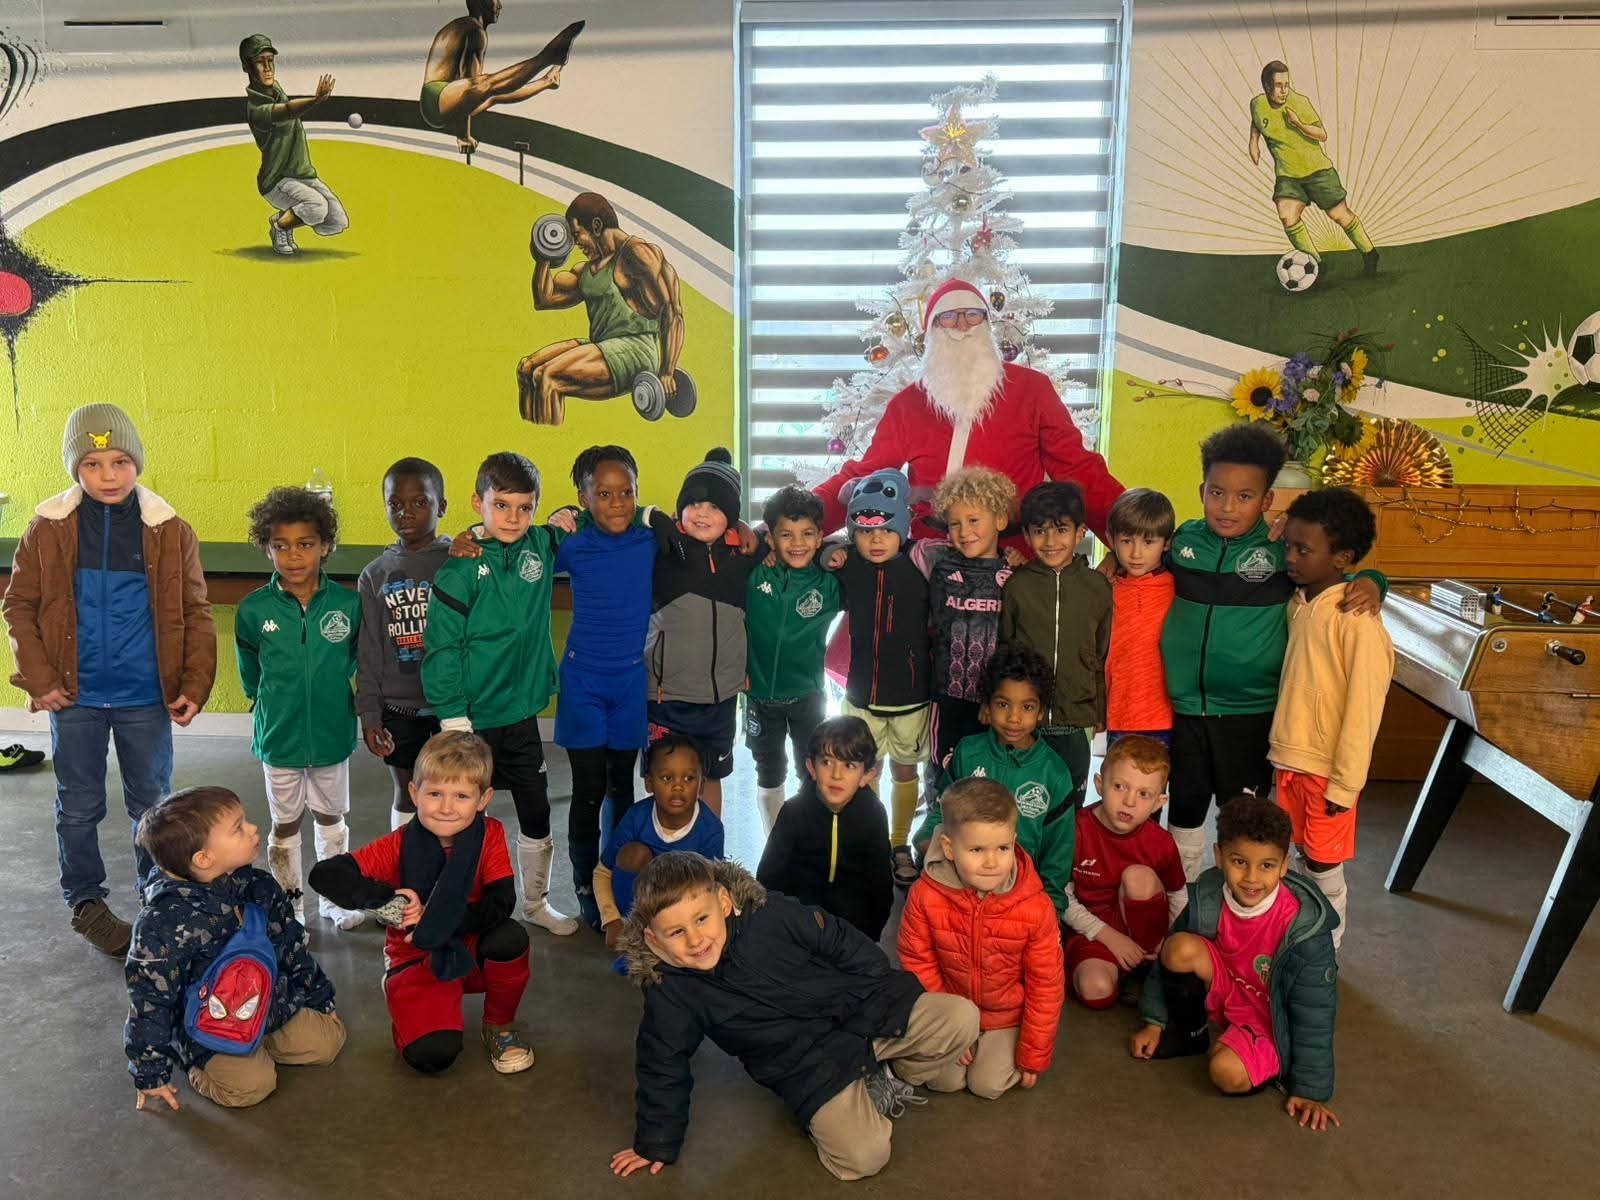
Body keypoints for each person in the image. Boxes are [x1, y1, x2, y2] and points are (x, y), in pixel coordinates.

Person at [611, 852, 980, 1181]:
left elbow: (838, 939)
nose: (695, 940)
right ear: (653, 939)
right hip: (807, 1065)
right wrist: (656, 1143)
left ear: (723, 902)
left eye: (702, 919)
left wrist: (884, 987)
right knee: (865, 1157)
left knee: (961, 1018)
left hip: (858, 1007)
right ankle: (853, 1096)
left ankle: (892, 1075)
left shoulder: (768, 913)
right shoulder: (670, 991)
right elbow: (662, 1063)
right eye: (676, 932)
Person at [3, 402, 215, 956]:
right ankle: (85, 901)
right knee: (77, 805)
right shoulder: (48, 530)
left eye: (120, 461)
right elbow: (19, 606)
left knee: (154, 806)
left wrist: (194, 683)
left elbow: (196, 612)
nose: (108, 475)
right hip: (73, 697)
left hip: (145, 697)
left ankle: (160, 896)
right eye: (93, 464)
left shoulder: (171, 532)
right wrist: (41, 680)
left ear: (136, 463)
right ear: (75, 468)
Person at [1160, 425, 1384, 881]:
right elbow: (1139, 560)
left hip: (1251, 714)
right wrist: (1109, 560)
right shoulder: (1182, 543)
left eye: (1244, 496)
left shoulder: (1283, 553)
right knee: (1183, 813)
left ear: (1266, 501)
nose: (1227, 507)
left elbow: (1333, 567)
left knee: (1244, 825)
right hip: (1185, 710)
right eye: (1217, 493)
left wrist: (1374, 580)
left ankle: (1243, 908)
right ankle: (1182, 904)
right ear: (1202, 491)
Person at [812, 277, 1123, 543]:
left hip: (1013, 557)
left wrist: (1130, 531)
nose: (962, 325)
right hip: (930, 557)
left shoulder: (1032, 390)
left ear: (987, 323)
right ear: (931, 329)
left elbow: (1079, 470)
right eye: (948, 316)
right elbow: (865, 477)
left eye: (973, 315)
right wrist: (799, 520)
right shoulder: (908, 404)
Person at [310, 732, 537, 1075]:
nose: (446, 807)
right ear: (415, 794)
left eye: (461, 796)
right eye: (434, 794)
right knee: (432, 1055)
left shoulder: (490, 834)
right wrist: (392, 904)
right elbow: (325, 875)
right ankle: (407, 992)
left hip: (467, 943)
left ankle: (499, 1025)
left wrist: (437, 919)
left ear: (483, 799)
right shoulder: (398, 844)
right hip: (415, 954)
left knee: (509, 937)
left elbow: (501, 902)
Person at [422, 451, 578, 935]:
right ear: (479, 503)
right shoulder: (460, 568)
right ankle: (463, 906)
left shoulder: (541, 545)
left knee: (536, 807)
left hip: (521, 714)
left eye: (525, 507)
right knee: (466, 817)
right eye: (501, 505)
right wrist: (453, 717)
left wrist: (566, 515)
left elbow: (592, 513)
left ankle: (535, 904)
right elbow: (441, 649)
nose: (513, 518)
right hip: (471, 720)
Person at [125, 786, 343, 1111]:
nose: (253, 829)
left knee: (328, 1042)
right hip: (210, 1025)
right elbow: (150, 1001)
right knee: (254, 1087)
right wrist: (150, 1071)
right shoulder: (160, 924)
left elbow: (291, 946)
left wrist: (320, 997)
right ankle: (197, 1063)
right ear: (204, 859)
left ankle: (257, 1040)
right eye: (238, 828)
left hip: (268, 1003)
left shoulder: (258, 886)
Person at [1131, 794, 1340, 1132]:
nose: (1251, 878)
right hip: (1227, 987)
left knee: (1225, 1072)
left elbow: (1315, 1013)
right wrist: (1154, 1021)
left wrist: (1310, 1090)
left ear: (1284, 865)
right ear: (1219, 856)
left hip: (1268, 1019)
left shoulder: (1306, 930)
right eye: (1239, 861)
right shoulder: (1209, 894)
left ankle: (1254, 1053)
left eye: (1267, 865)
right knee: (1178, 947)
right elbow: (1167, 954)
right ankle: (1192, 1033)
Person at [1270, 488, 1394, 950]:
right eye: (1289, 545)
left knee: (1324, 865)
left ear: (1342, 558)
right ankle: (1302, 942)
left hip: (1328, 773)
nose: (1290, 557)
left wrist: (1345, 785)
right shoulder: (1299, 603)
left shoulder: (1357, 619)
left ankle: (1328, 952)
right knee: (1299, 856)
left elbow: (1365, 710)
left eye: (1304, 550)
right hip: (1290, 760)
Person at [236, 486, 364, 930]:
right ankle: (289, 908)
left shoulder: (348, 604)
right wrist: (268, 703)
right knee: (285, 824)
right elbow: (250, 670)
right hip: (279, 736)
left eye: (305, 544)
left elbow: (354, 660)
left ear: (325, 546)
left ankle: (335, 899)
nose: (293, 556)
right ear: (267, 548)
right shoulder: (254, 610)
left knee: (331, 817)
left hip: (331, 733)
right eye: (281, 545)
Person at [897, 778, 1064, 1099]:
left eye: (1003, 848)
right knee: (943, 1081)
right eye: (976, 850)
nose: (992, 862)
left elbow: (1046, 984)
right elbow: (917, 962)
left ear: (1014, 842)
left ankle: (993, 1046)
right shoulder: (924, 896)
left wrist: (1033, 1053)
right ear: (948, 848)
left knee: (986, 1084)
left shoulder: (1036, 906)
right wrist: (949, 1026)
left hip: (1006, 1017)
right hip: (952, 1006)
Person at [914, 646, 1075, 917]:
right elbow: (941, 813)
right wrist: (928, 841)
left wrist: (1051, 913)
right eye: (1003, 704)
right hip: (962, 886)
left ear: (1040, 712)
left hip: (1020, 900)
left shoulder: (1054, 773)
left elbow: (1058, 856)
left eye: (1027, 707)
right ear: (987, 706)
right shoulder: (968, 752)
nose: (1014, 718)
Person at [826, 468, 930, 885]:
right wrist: (829, 554)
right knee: (865, 771)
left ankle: (899, 842)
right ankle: (870, 837)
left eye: (886, 530)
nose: (876, 540)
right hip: (860, 697)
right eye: (866, 532)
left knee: (905, 772)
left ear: (902, 530)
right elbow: (821, 548)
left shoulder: (921, 563)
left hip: (910, 697)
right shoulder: (849, 564)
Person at [645, 449, 762, 818]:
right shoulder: (662, 547)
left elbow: (790, 538)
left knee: (711, 777)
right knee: (666, 780)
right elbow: (619, 515)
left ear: (731, 514)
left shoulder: (744, 554)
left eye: (714, 506)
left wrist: (745, 528)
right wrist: (653, 517)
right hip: (667, 697)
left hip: (721, 698)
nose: (702, 513)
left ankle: (709, 847)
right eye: (693, 504)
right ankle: (667, 849)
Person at [519, 191, 687, 426]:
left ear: (596, 226)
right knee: (528, 369)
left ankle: (545, 434)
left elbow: (672, 311)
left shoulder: (637, 254)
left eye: (577, 235)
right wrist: (544, 255)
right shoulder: (588, 270)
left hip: (634, 349)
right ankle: (531, 436)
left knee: (548, 375)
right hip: (602, 346)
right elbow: (544, 299)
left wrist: (667, 371)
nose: (575, 244)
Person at [999, 480, 1110, 806]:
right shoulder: (1018, 586)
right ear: (1027, 534)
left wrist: (1099, 709)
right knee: (1023, 802)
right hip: (1024, 719)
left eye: (1061, 530)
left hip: (1076, 717)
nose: (1050, 542)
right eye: (1039, 531)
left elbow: (1101, 653)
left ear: (1080, 532)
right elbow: (1004, 649)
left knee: (1068, 805)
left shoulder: (1097, 588)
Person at [358, 458, 451, 831]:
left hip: (452, 707)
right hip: (399, 709)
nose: (405, 512)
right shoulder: (374, 574)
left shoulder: (457, 563)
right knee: (407, 793)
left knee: (456, 791)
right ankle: (407, 862)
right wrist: (370, 715)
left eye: (419, 502)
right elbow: (368, 651)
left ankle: (460, 862)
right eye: (395, 504)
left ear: (441, 506)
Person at [911, 466, 1019, 786]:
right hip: (948, 696)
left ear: (1000, 520)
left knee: (991, 780)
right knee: (943, 776)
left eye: (974, 520)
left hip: (997, 700)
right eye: (955, 523)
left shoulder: (1014, 573)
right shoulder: (937, 561)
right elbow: (898, 541)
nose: (964, 532)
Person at [1063, 735, 1186, 1010]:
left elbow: (1178, 896)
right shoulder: (1075, 829)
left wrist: (1167, 939)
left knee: (1138, 877)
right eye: (1119, 786)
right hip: (1092, 930)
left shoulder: (1161, 842)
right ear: (1099, 784)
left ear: (1159, 802)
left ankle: (1147, 965)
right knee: (1094, 990)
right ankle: (1121, 973)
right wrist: (1110, 937)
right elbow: (1061, 897)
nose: (1129, 801)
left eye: (1144, 794)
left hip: (1144, 932)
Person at [745, 485, 841, 830]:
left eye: (807, 534)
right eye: (786, 534)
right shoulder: (754, 574)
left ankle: (808, 838)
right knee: (768, 771)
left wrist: (835, 551)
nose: (797, 543)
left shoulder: (830, 584)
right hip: (759, 697)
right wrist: (756, 544)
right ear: (771, 539)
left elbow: (859, 552)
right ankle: (775, 841)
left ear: (819, 537)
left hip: (807, 696)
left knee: (810, 770)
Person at [757, 716, 893, 942]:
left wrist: (870, 933)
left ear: (867, 775)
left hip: (854, 931)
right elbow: (769, 876)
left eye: (849, 765)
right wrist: (779, 923)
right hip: (797, 926)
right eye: (827, 762)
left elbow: (880, 881)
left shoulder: (873, 815)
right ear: (811, 767)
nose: (836, 775)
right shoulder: (793, 812)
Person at [596, 734, 725, 953]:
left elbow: (710, 890)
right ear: (649, 783)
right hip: (641, 905)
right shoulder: (636, 817)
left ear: (702, 785)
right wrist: (612, 920)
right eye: (667, 778)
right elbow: (602, 872)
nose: (678, 787)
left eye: (689, 778)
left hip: (683, 909)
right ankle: (634, 933)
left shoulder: (710, 830)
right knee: (633, 853)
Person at [1250, 60, 1378, 275]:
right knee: (1287, 216)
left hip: (1318, 172)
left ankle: (1369, 253)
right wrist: (1253, 142)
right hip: (1288, 176)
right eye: (1279, 85)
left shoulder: (1299, 102)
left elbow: (1322, 134)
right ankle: (1315, 263)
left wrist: (1298, 124)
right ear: (1266, 86)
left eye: (1287, 84)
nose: (1284, 90)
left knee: (1340, 215)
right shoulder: (1257, 104)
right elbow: (1257, 121)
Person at [421, 5, 582, 154]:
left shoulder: (467, 26)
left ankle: (547, 81)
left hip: (441, 105)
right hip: (437, 97)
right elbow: (471, 86)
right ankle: (545, 59)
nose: (499, 5)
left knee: (494, 95)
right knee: (486, 85)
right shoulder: (474, 29)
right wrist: (464, 136)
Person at [240, 34, 348, 256]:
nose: (268, 68)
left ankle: (287, 215)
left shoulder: (276, 90)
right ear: (247, 67)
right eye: (260, 62)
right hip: (277, 180)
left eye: (270, 60)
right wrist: (316, 100)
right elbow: (288, 111)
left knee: (336, 222)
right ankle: (280, 227)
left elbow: (287, 106)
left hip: (303, 175)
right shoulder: (256, 109)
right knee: (317, 207)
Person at [1102, 488, 1176, 746]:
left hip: (1167, 717)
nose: (1136, 553)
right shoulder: (1105, 588)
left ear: (1166, 542)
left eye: (1148, 542)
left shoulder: (1179, 588)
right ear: (1111, 539)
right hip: (1119, 715)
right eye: (1126, 541)